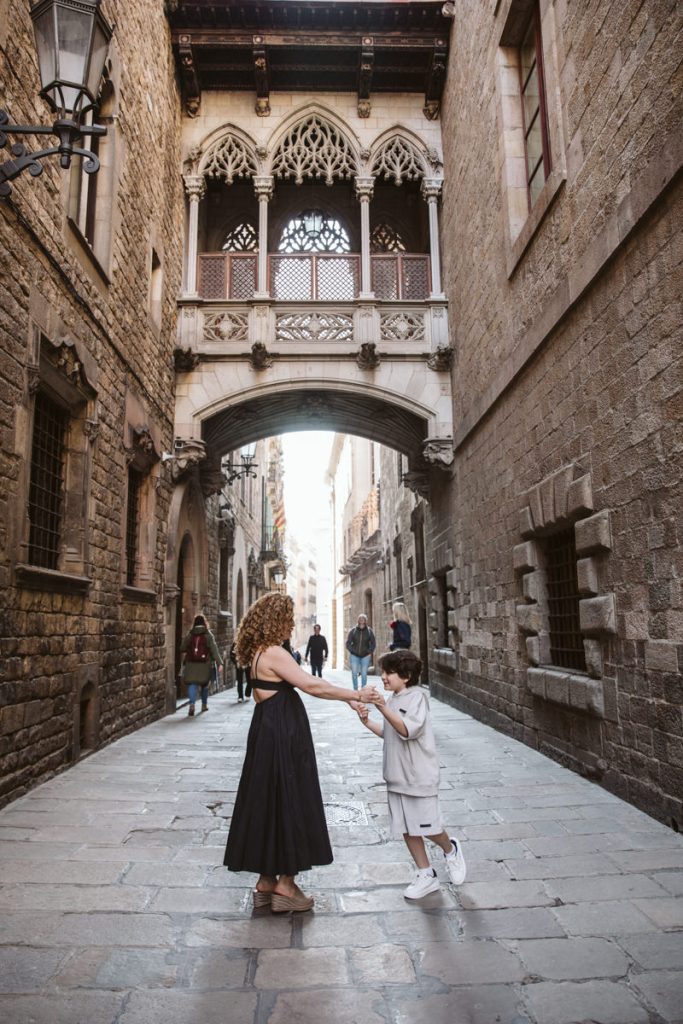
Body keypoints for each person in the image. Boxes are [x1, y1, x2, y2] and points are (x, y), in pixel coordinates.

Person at [224, 592, 376, 913]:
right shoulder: (275, 653)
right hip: (284, 732)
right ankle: (286, 885)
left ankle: (266, 882)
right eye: (288, 619)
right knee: (293, 798)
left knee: (270, 801)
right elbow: (312, 685)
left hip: (267, 730)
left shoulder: (256, 653)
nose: (292, 624)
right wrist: (355, 693)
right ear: (275, 621)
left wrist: (347, 700)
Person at [355, 648, 466, 899]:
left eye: (388, 672)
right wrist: (367, 721)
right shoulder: (392, 700)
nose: (383, 677)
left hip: (418, 776)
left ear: (405, 676)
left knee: (428, 826)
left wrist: (382, 708)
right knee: (407, 828)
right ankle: (426, 874)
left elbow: (407, 730)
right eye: (382, 672)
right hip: (396, 776)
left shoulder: (417, 698)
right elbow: (389, 732)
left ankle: (451, 849)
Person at [181, 614, 223, 717]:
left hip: (191, 664)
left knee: (192, 684)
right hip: (205, 664)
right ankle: (204, 705)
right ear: (204, 623)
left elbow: (182, 648)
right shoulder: (208, 635)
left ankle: (192, 704)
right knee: (205, 685)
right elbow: (214, 650)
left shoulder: (190, 635)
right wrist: (220, 663)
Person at [345, 614, 376, 690]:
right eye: (360, 619)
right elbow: (348, 643)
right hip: (354, 656)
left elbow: (373, 643)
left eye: (363, 619)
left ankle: (363, 689)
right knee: (354, 673)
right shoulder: (353, 631)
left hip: (365, 656)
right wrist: (352, 651)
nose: (362, 620)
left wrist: (369, 651)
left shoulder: (369, 631)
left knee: (364, 674)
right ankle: (355, 689)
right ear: (358, 620)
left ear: (365, 621)